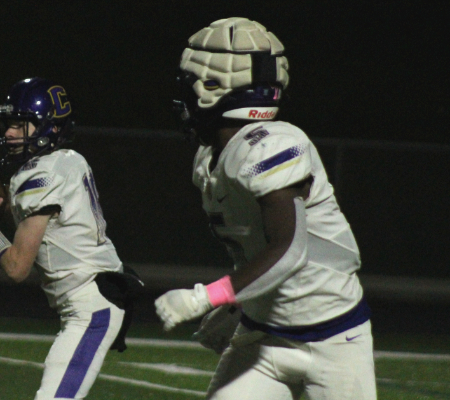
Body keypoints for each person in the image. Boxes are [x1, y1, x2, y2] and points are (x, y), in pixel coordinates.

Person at [155, 18, 377, 399]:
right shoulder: (211, 157)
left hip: (333, 341)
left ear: (214, 88)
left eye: (192, 82)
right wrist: (238, 305)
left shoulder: (271, 145)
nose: (184, 96)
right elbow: (258, 249)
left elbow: (289, 250)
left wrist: (204, 297)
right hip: (262, 334)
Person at [0, 77, 142, 399]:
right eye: (7, 124)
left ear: (50, 129)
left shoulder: (43, 174)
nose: (9, 133)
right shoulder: (65, 162)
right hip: (95, 296)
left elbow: (16, 267)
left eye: (20, 124)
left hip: (90, 307)